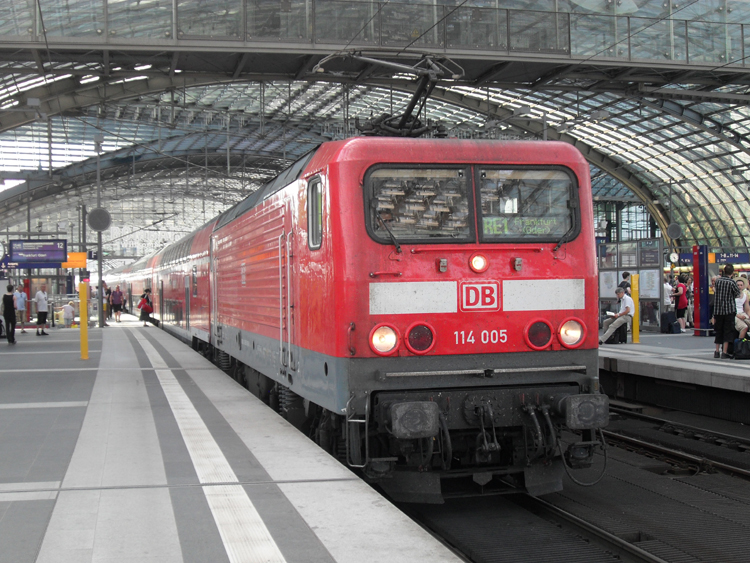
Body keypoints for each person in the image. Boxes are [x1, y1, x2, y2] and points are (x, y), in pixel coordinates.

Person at [712, 264, 741, 359]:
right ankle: (724, 352)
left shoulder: (718, 281)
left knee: (718, 330)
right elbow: (737, 294)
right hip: (729, 310)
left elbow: (716, 292)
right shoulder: (732, 282)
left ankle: (716, 351)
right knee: (727, 331)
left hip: (718, 310)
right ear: (732, 272)